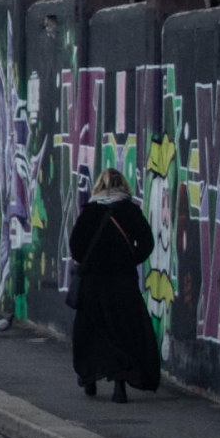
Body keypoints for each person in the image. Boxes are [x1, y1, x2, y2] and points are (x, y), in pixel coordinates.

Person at [70, 167, 159, 403]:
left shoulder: (89, 212)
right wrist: (130, 259)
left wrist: (91, 261)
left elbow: (75, 247)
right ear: (124, 186)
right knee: (123, 331)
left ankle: (89, 377)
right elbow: (148, 243)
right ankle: (120, 386)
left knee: (90, 331)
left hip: (93, 284)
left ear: (99, 186)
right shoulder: (130, 211)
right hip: (123, 283)